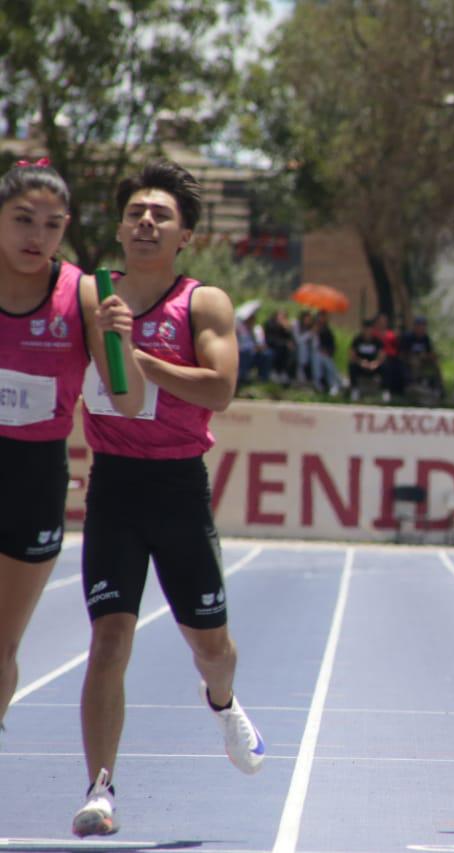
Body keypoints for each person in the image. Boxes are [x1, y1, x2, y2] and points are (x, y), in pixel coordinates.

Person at [71, 161, 266, 838]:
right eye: (136, 213)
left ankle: (222, 700)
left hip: (179, 486)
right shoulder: (89, 295)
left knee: (214, 648)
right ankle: (101, 789)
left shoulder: (202, 303)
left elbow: (219, 388)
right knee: (109, 638)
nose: (146, 223)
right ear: (119, 227)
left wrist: (137, 357)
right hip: (114, 485)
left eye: (161, 215)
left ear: (185, 235)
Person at [0, 158, 145, 740]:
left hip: (33, 480)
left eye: (52, 225)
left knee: (2, 644)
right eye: (22, 219)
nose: (37, 236)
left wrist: (120, 339)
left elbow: (128, 401)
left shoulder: (82, 293)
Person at [347, 317, 384, 399]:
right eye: (366, 329)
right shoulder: (357, 340)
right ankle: (354, 389)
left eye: (369, 329)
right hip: (361, 365)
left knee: (385, 367)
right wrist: (360, 362)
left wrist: (375, 363)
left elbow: (382, 355)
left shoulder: (377, 341)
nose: (367, 331)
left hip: (373, 366)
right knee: (352, 366)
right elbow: (352, 355)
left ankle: (385, 391)